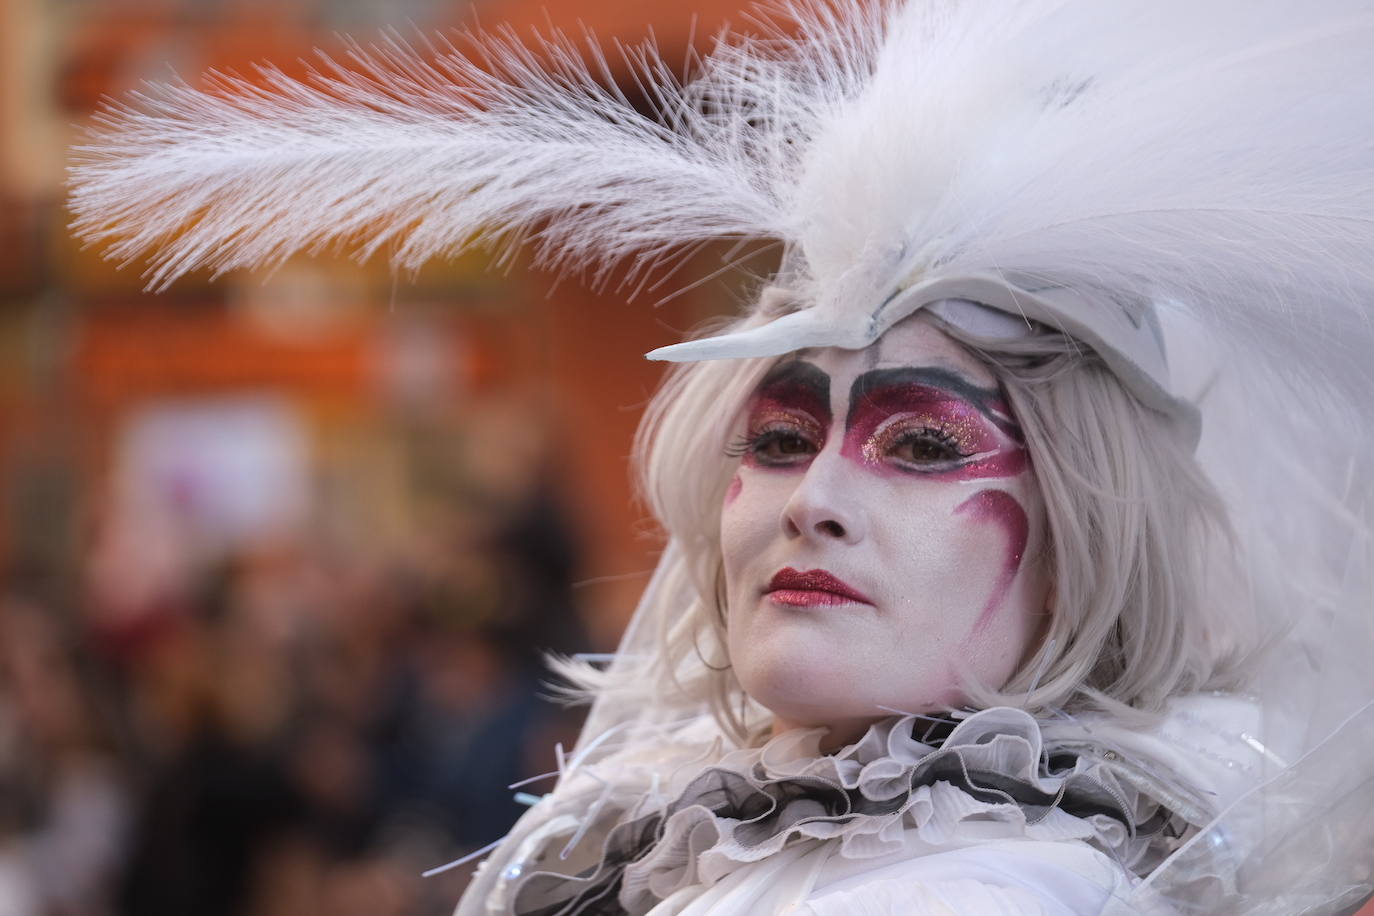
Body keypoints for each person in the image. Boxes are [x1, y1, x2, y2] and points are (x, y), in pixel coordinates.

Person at [68, 0, 1374, 912]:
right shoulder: (724, 832)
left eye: (921, 443)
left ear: (1092, 530)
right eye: (780, 435)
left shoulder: (988, 886)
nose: (814, 502)